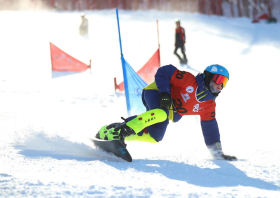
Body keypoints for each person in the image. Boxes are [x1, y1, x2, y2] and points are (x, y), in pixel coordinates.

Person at [96, 64, 237, 161]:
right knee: (161, 114)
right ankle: (120, 132)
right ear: (208, 76)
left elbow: (210, 127)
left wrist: (217, 153)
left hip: (167, 109)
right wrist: (165, 93)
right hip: (155, 92)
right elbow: (165, 71)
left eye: (224, 82)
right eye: (219, 79)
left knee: (155, 136)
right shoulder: (189, 80)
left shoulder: (209, 105)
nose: (220, 85)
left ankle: (111, 132)